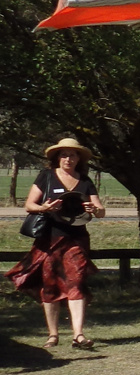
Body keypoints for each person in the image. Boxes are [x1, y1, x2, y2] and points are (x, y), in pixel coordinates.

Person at [7, 138, 106, 349]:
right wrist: (44, 208)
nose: (68, 159)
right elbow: (29, 205)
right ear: (57, 158)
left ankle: (78, 335)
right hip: (49, 238)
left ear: (79, 158)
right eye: (64, 155)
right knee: (49, 285)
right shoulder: (46, 177)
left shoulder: (85, 180)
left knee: (76, 282)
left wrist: (94, 210)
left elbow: (101, 211)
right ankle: (53, 335)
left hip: (76, 239)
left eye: (72, 155)